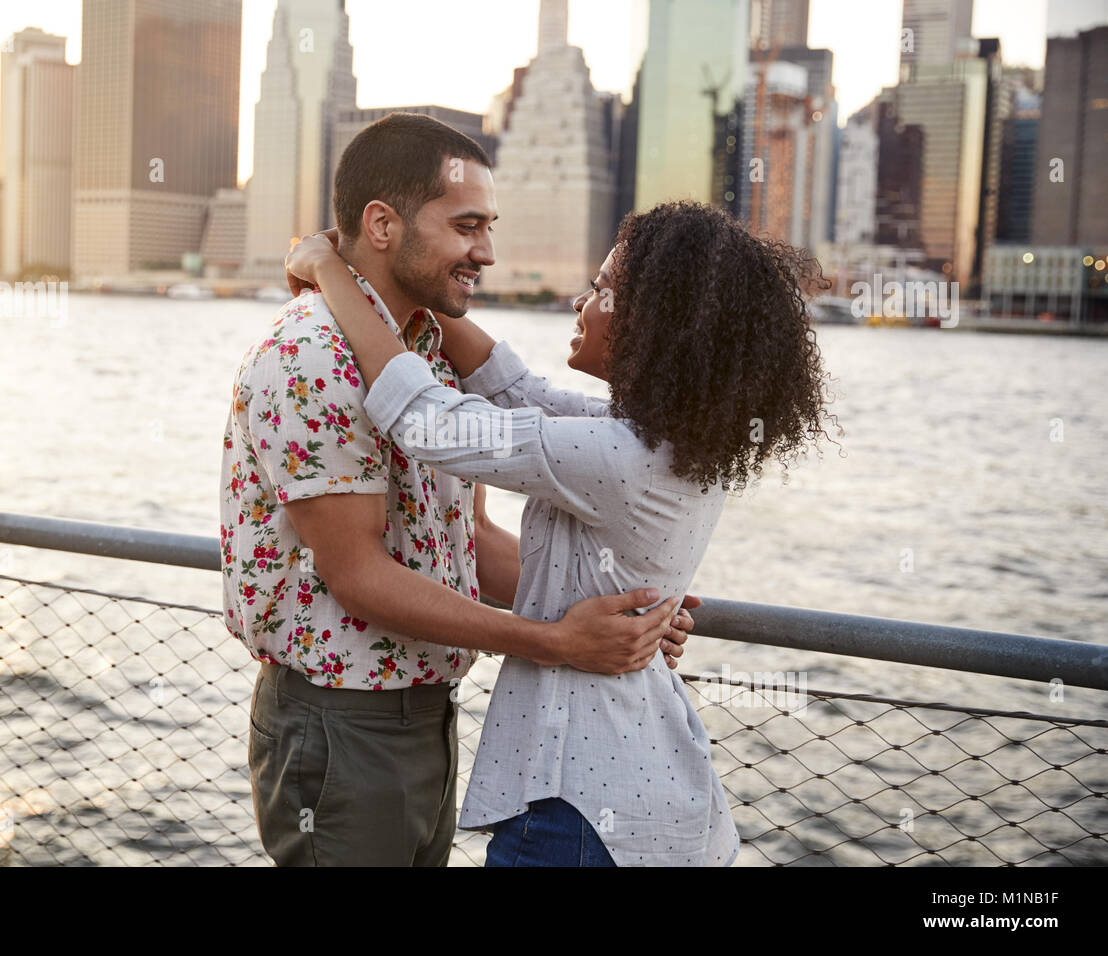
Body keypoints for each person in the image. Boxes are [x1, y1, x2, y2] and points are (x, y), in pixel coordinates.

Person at [282, 198, 839, 866]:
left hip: (579, 816)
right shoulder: (669, 443)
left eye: (603, 289)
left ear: (655, 323)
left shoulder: (619, 456)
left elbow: (428, 422)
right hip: (650, 807)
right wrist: (407, 292)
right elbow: (512, 388)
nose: (582, 298)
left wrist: (331, 273)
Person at [219, 112, 693, 867]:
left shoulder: (430, 358)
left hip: (429, 712)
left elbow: (465, 541)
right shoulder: (310, 356)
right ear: (381, 224)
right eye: (467, 226)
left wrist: (625, 617)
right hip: (342, 722)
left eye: (490, 227)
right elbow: (358, 575)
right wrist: (557, 642)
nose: (487, 253)